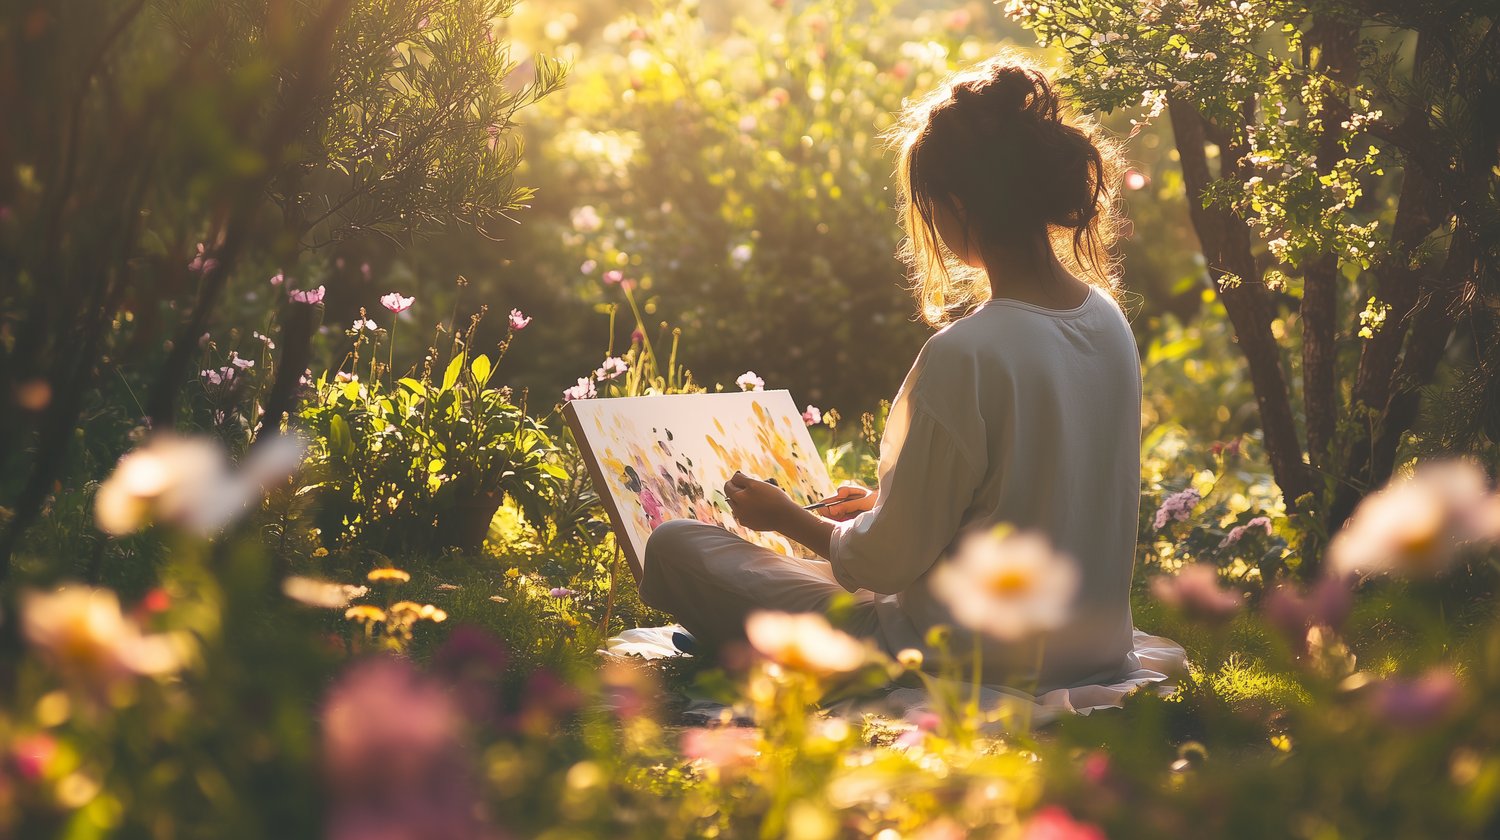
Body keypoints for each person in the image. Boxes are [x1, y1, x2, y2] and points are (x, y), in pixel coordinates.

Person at [639, 56, 1153, 691]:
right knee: (811, 557)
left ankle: (736, 633)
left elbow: (886, 563)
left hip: (953, 653)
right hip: (1090, 641)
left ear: (957, 204)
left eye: (931, 205)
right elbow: (1038, 494)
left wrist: (788, 518)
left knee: (677, 548)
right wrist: (885, 503)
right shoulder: (1105, 319)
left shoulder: (968, 352)